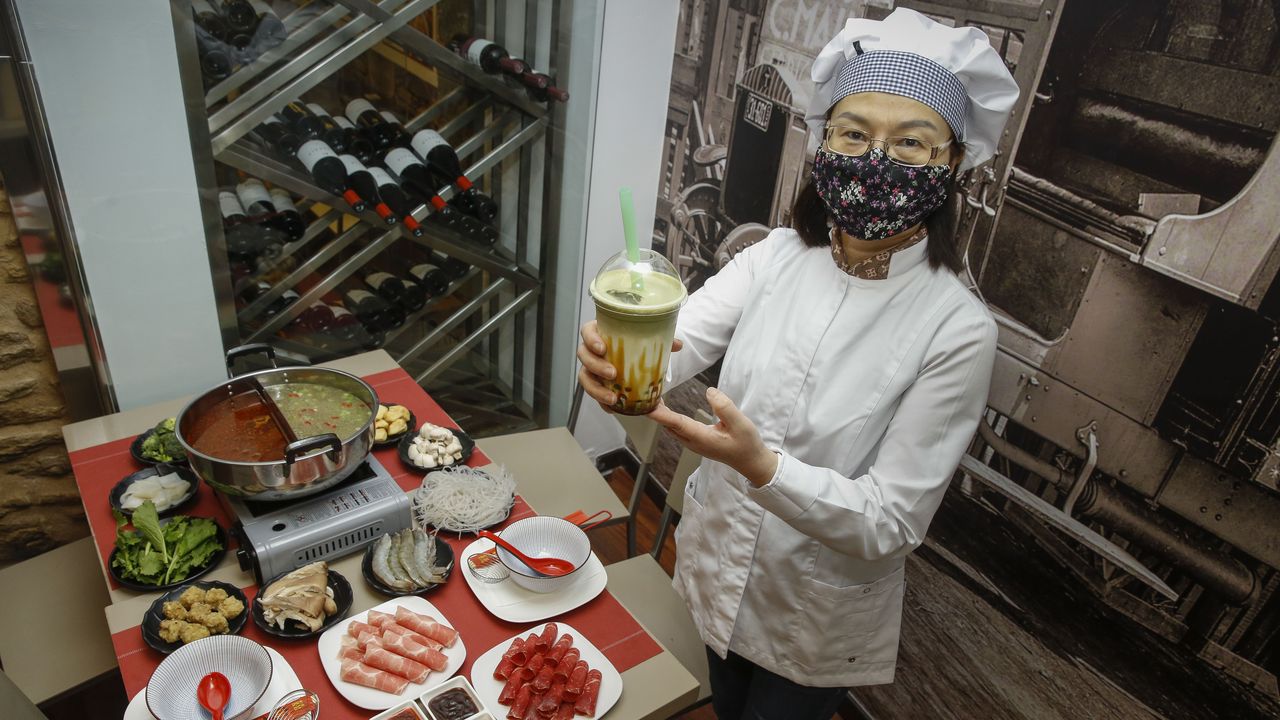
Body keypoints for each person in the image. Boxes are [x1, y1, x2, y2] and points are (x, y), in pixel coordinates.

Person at [578, 9, 1020, 720]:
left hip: (811, 618)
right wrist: (620, 349)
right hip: (712, 568)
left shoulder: (957, 328)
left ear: (953, 163)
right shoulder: (776, 257)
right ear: (823, 145)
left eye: (910, 143)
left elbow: (892, 522)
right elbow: (680, 337)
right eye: (854, 134)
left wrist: (765, 469)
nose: (876, 160)